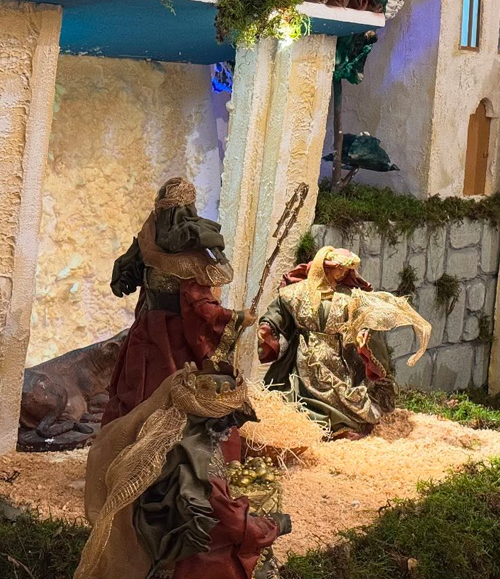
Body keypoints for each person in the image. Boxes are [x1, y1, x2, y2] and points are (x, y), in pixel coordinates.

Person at [75, 362, 291, 579]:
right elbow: (231, 523)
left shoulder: (164, 444)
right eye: (229, 420)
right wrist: (274, 525)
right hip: (193, 563)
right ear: (210, 422)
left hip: (162, 547)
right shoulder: (199, 464)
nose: (231, 429)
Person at [102, 177, 255, 428]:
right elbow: (203, 309)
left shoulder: (147, 246)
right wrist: (238, 318)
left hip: (145, 331)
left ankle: (138, 447)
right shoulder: (189, 260)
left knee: (141, 391)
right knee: (169, 393)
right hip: (173, 340)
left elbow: (127, 281)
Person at [257, 246, 430, 439]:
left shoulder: (350, 297)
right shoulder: (295, 293)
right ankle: (302, 422)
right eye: (337, 268)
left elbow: (361, 320)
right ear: (325, 268)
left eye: (345, 270)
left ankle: (336, 425)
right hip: (303, 355)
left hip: (339, 358)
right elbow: (278, 313)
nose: (341, 273)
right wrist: (267, 326)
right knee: (296, 394)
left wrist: (362, 335)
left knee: (340, 394)